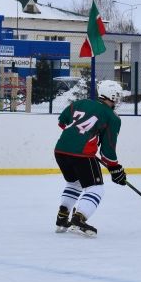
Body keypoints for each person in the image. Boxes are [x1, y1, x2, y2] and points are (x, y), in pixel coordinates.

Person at [53, 79, 126, 237]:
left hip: (60, 150)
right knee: (96, 188)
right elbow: (108, 148)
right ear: (111, 95)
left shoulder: (81, 103)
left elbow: (62, 121)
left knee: (75, 183)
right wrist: (115, 168)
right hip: (81, 154)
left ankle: (62, 217)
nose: (118, 100)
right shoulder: (112, 117)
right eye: (117, 96)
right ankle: (79, 219)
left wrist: (78, 136)